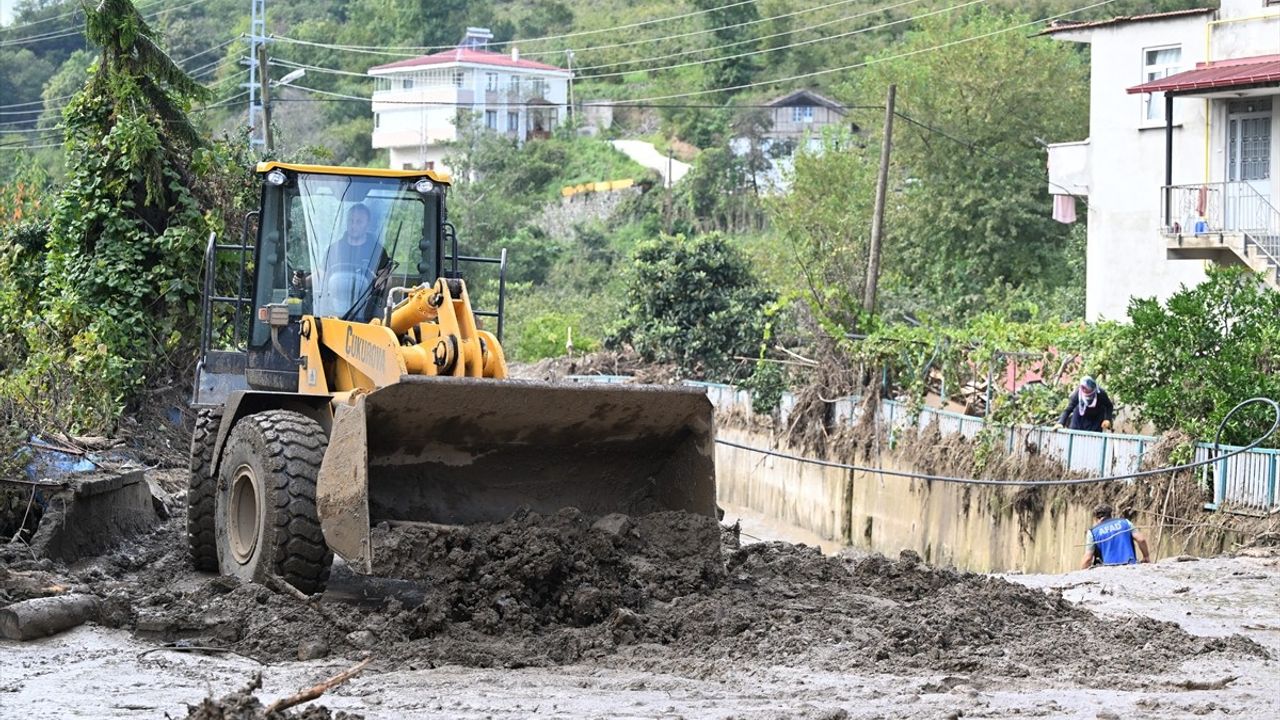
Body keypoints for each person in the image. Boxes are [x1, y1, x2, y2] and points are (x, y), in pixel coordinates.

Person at [1080, 503, 1150, 569]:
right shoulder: (1125, 522)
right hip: (1130, 564)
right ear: (1111, 514)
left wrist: (1081, 573)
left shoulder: (1093, 532)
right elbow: (1141, 539)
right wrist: (1146, 557)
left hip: (1107, 568)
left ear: (1096, 517)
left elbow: (1088, 558)